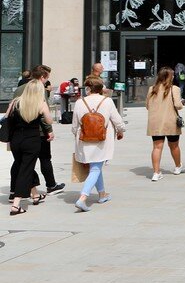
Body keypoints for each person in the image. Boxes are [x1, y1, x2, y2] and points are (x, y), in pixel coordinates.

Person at [72, 76, 125, 212]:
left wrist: (77, 136)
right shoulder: (107, 101)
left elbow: (74, 125)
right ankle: (83, 198)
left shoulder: (80, 102)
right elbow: (117, 120)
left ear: (88, 88)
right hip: (102, 140)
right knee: (96, 167)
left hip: (84, 140)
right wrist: (120, 131)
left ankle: (102, 194)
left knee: (95, 166)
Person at [11, 65, 64, 195]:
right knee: (45, 158)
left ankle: (14, 189)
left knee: (19, 162)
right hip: (37, 131)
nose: (47, 81)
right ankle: (51, 185)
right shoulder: (40, 90)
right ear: (42, 77)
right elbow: (43, 115)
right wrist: (49, 130)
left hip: (19, 131)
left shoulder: (18, 89)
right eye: (47, 78)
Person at [7, 80, 51, 215]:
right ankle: (16, 204)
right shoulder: (40, 104)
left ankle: (35, 194)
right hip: (32, 140)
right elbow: (49, 121)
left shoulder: (15, 102)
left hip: (16, 140)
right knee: (25, 170)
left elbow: (7, 117)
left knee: (23, 166)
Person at [145, 67, 184, 181]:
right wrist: (181, 103)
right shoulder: (174, 89)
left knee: (157, 147)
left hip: (155, 122)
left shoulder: (152, 89)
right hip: (170, 121)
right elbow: (178, 105)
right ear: (169, 77)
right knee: (174, 145)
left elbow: (147, 106)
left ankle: (156, 172)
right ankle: (177, 167)